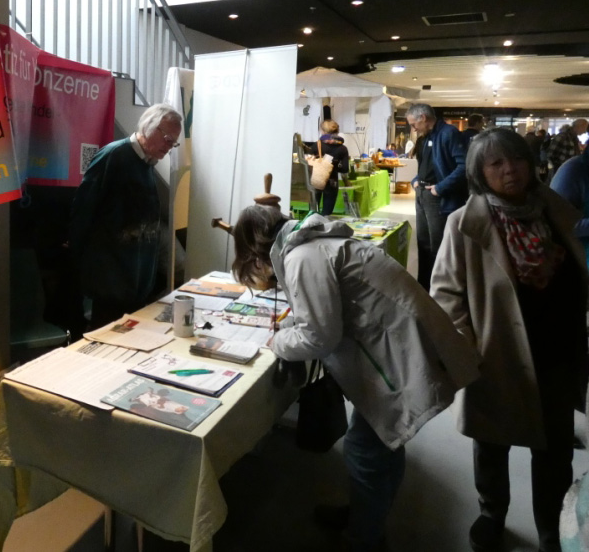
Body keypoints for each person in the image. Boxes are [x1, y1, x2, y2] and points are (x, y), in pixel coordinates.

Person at [231, 204, 480, 552]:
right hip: (399, 343)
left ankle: (364, 537)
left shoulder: (302, 257)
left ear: (254, 252)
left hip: (397, 353)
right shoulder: (312, 243)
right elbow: (321, 312)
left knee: (365, 449)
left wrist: (278, 341)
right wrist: (291, 326)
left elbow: (320, 336)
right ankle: (366, 515)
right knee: (384, 445)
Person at [430, 128, 588, 552]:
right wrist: (466, 349)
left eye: (517, 159)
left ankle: (551, 529)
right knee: (492, 442)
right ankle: (491, 514)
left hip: (556, 351)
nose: (510, 170)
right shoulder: (464, 224)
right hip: (496, 353)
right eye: (496, 163)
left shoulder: (554, 210)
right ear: (479, 173)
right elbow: (446, 294)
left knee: (555, 449)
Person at [69, 103, 182, 328]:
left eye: (174, 143)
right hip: (110, 281)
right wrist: (78, 255)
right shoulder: (114, 155)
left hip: (135, 281)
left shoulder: (146, 162)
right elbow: (83, 207)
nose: (169, 147)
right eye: (168, 139)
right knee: (104, 336)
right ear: (150, 127)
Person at [406, 103, 468, 289]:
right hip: (422, 194)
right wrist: (416, 180)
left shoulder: (449, 133)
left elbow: (464, 166)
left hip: (439, 198)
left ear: (423, 118)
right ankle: (424, 287)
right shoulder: (426, 137)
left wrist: (440, 188)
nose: (413, 128)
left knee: (439, 247)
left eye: (414, 124)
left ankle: (440, 289)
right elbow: (426, 165)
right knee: (423, 244)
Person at [305, 119, 350, 216]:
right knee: (327, 214)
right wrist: (332, 166)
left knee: (313, 213)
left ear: (323, 131)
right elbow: (345, 169)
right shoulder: (343, 148)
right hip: (332, 182)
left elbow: (307, 163)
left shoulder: (316, 145)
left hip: (316, 181)